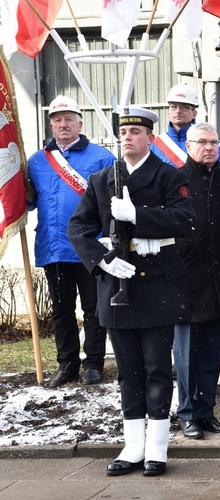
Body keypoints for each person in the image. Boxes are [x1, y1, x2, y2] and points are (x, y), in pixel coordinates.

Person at [67, 106, 195, 477]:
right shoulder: (102, 179)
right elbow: (78, 229)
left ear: (150, 139)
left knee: (156, 367)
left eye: (136, 132)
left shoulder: (170, 176)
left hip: (157, 282)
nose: (128, 137)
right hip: (117, 282)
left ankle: (157, 448)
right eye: (123, 132)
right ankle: (133, 446)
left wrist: (137, 215)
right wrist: (102, 260)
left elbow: (185, 221)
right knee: (127, 371)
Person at [26, 96, 113, 388]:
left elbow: (112, 203)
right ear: (51, 124)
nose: (63, 124)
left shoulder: (101, 157)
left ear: (80, 122)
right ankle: (67, 364)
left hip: (89, 246)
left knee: (94, 308)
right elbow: (28, 200)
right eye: (57, 119)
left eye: (68, 119)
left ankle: (94, 364)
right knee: (61, 309)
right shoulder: (38, 161)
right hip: (54, 248)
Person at [173, 122, 220, 439]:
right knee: (187, 354)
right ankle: (187, 414)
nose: (209, 147)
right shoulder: (174, 180)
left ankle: (206, 411)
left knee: (213, 353)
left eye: (214, 142)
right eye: (202, 142)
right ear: (188, 146)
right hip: (187, 281)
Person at [150, 83, 220, 172]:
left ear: (194, 114)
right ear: (168, 112)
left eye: (185, 107)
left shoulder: (216, 147)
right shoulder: (153, 145)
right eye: (174, 106)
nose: (178, 111)